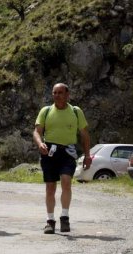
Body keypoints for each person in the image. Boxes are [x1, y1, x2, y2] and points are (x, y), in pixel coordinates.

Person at [32, 83, 91, 234]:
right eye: (54, 93)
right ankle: (50, 221)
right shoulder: (46, 111)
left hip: (68, 152)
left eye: (60, 92)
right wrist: (40, 144)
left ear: (67, 95)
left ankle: (64, 218)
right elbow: (37, 131)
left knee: (66, 182)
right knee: (50, 188)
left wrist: (87, 156)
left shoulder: (76, 112)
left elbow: (84, 136)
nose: (57, 95)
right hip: (49, 152)